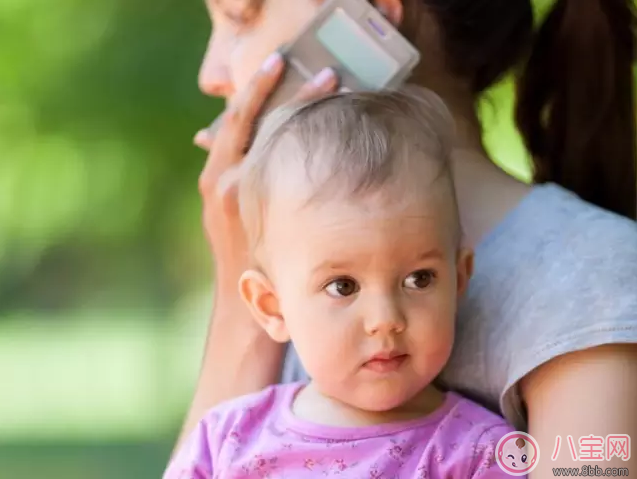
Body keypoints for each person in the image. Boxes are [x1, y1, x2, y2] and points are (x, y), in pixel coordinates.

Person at [183, 0, 637, 476]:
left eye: (239, 17)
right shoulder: (298, 280)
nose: (210, 74)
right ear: (270, 303)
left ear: (372, 12)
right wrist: (243, 312)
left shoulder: (591, 277)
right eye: (343, 286)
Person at [166, 88, 518, 478]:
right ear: (271, 306)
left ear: (459, 278)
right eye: (343, 287)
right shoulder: (227, 439)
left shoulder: (480, 453)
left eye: (419, 279)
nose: (385, 319)